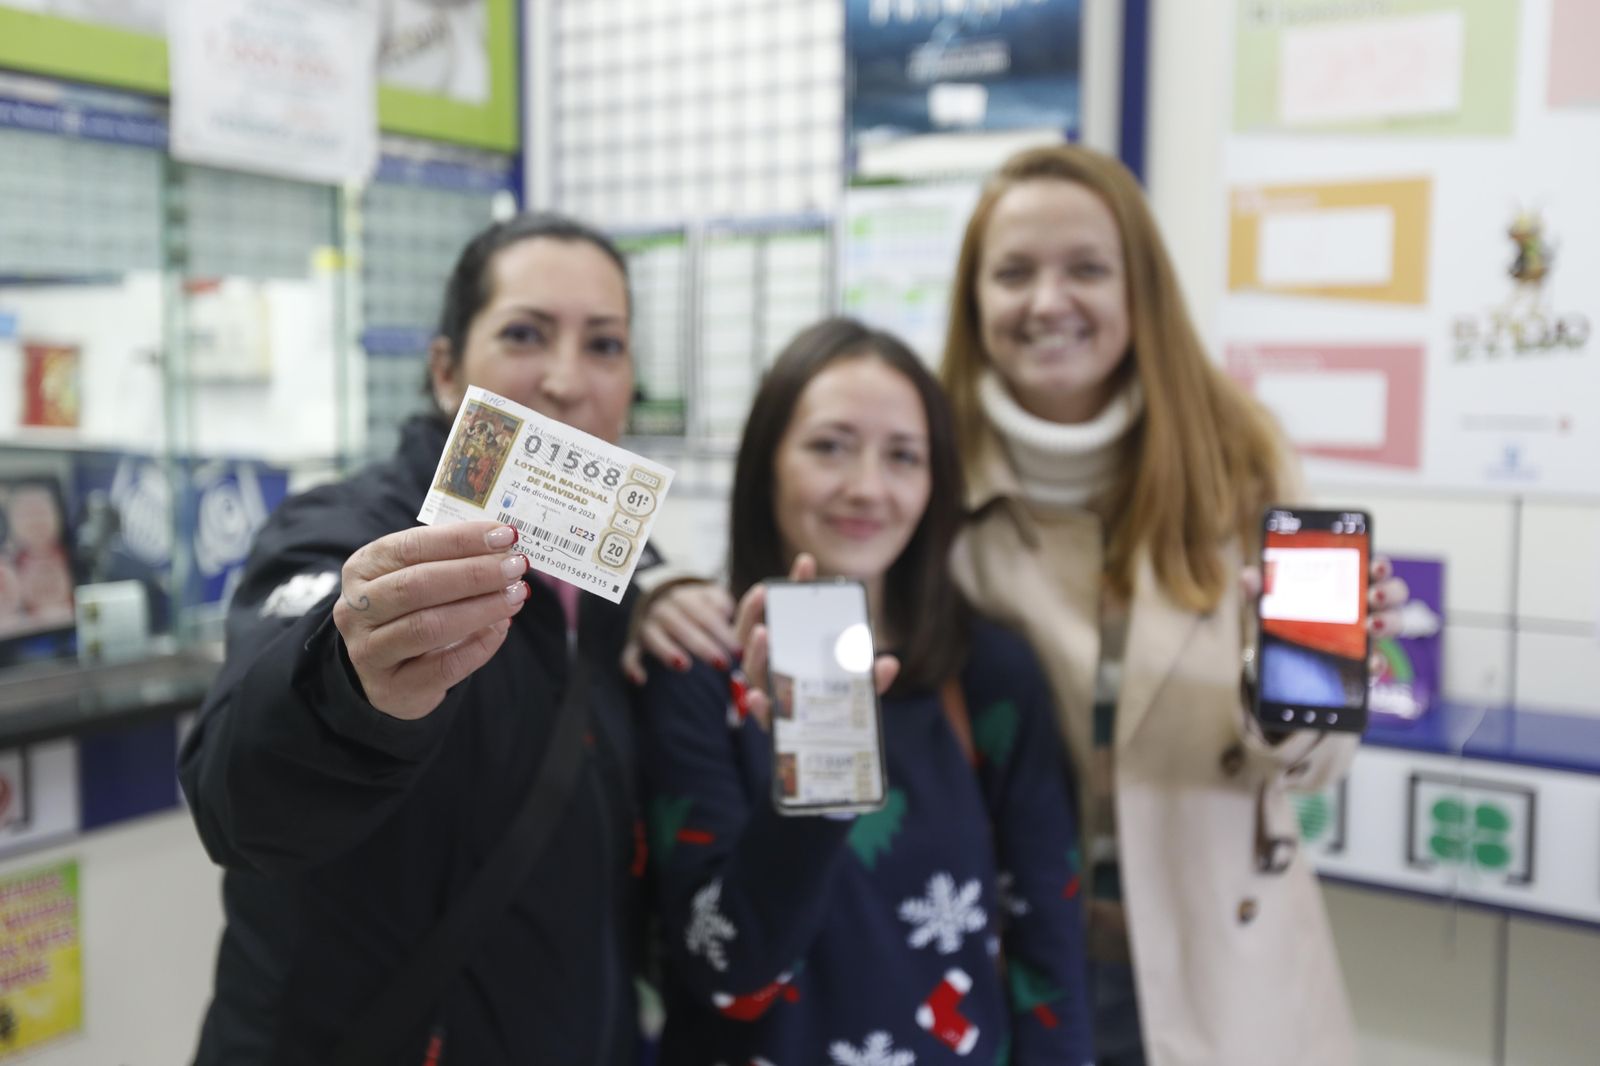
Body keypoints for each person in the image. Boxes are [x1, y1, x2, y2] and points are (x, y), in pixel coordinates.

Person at [935, 145, 1406, 1066]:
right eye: (1014, 272)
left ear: (1138, 288)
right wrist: (664, 586)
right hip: (1008, 960)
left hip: (1220, 963)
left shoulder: (1240, 461)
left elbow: (1313, 766)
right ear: (974, 299)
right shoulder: (930, 472)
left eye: (1086, 269)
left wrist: (1289, 676)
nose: (1048, 301)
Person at [179, 212, 651, 1066]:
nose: (565, 378)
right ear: (445, 372)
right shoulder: (343, 536)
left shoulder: (620, 586)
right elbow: (234, 795)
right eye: (523, 333)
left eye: (605, 345)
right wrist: (349, 683)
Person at [640, 317, 1093, 1065]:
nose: (867, 488)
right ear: (768, 463)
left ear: (934, 484)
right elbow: (728, 966)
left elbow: (1049, 948)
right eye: (829, 446)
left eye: (904, 457)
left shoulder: (989, 675)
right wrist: (813, 787)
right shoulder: (694, 668)